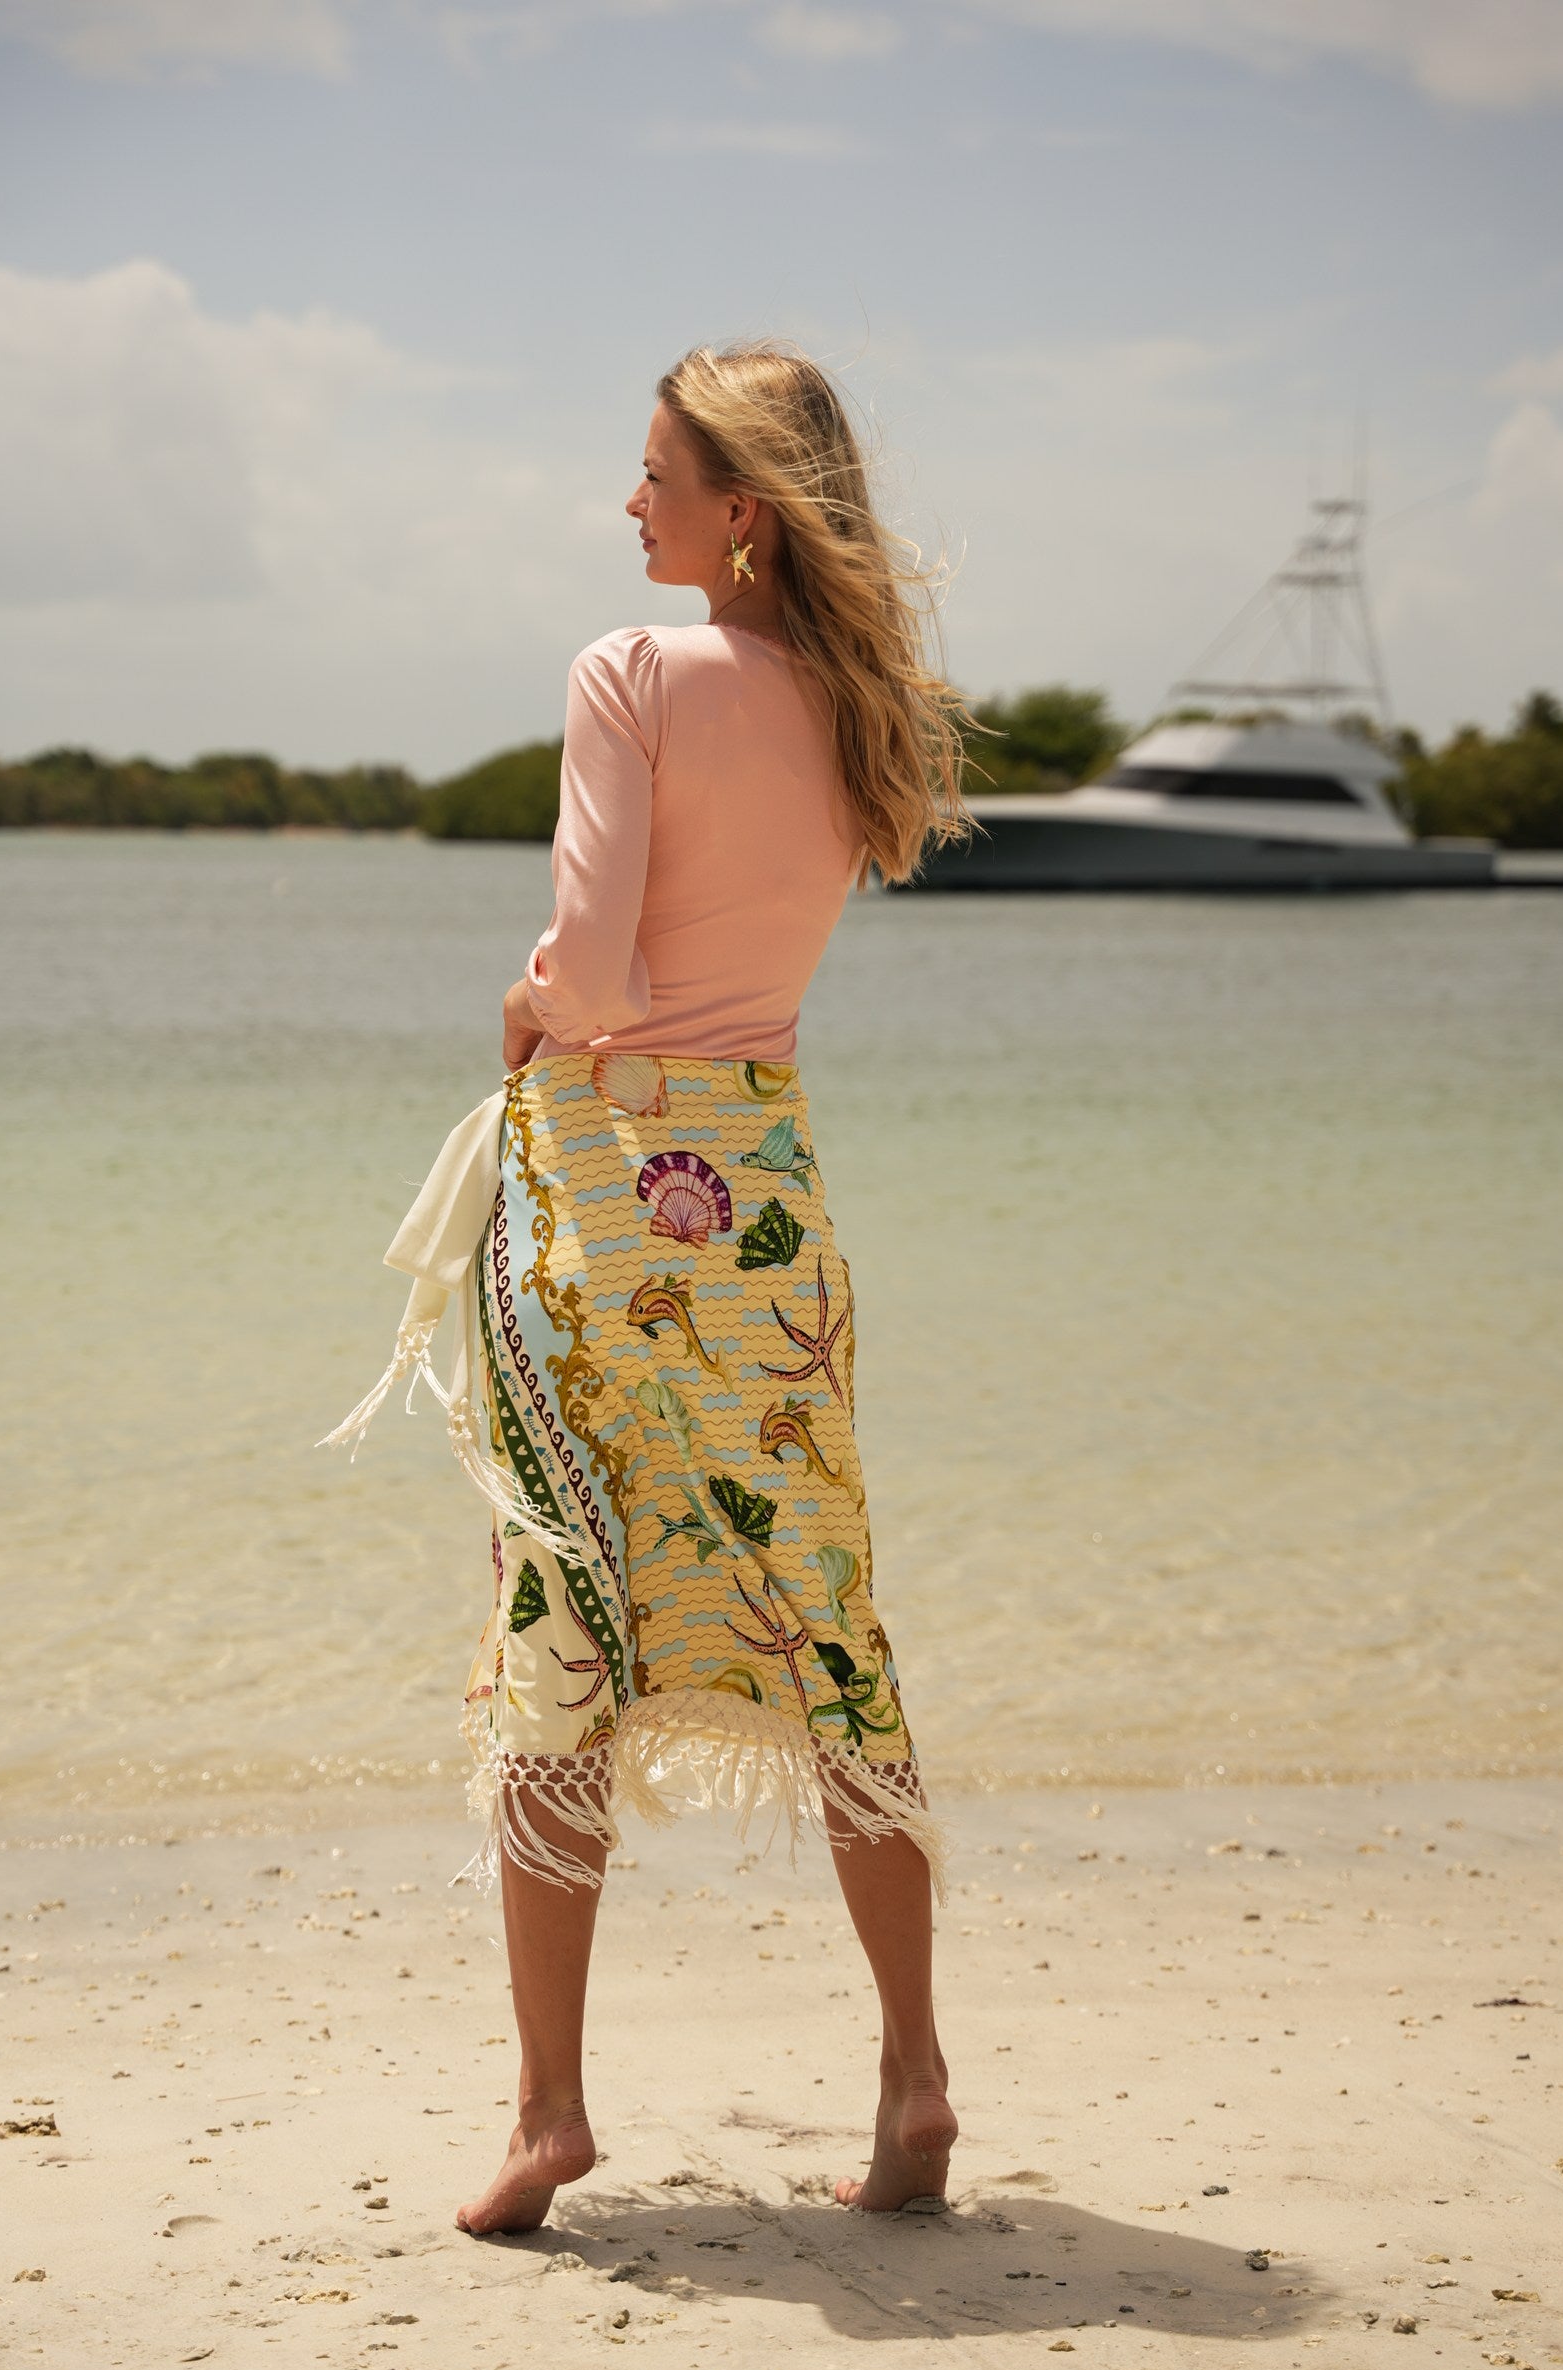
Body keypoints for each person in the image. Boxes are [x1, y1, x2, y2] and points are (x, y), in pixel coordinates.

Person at [458, 342, 968, 2235]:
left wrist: (525, 998)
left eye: (658, 475)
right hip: (767, 1206)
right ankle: (914, 2079)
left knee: (558, 1628)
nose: (632, 503)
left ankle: (548, 2116)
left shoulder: (630, 671)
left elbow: (595, 979)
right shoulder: (860, 708)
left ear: (742, 510)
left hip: (610, 1203)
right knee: (830, 1632)